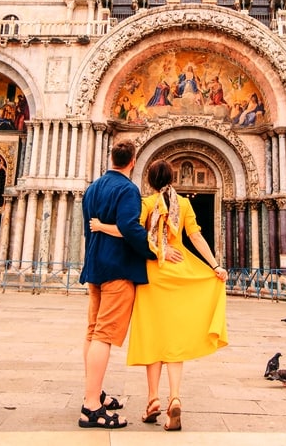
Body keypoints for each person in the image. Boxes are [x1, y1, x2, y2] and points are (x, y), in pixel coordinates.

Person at [90, 159, 228, 431]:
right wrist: (215, 265)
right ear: (173, 177)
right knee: (174, 339)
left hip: (153, 273)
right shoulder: (185, 205)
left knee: (153, 336)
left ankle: (152, 399)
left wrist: (100, 226)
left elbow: (129, 233)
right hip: (181, 271)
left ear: (149, 180)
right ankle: (174, 397)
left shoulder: (146, 204)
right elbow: (197, 237)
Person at [78, 141, 160, 429]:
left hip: (95, 267)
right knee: (104, 335)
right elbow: (129, 227)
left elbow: (89, 226)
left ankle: (94, 392)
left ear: (111, 157)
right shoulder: (127, 190)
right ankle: (91, 408)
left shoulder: (92, 188)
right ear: (133, 161)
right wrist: (153, 250)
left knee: (92, 332)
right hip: (117, 269)